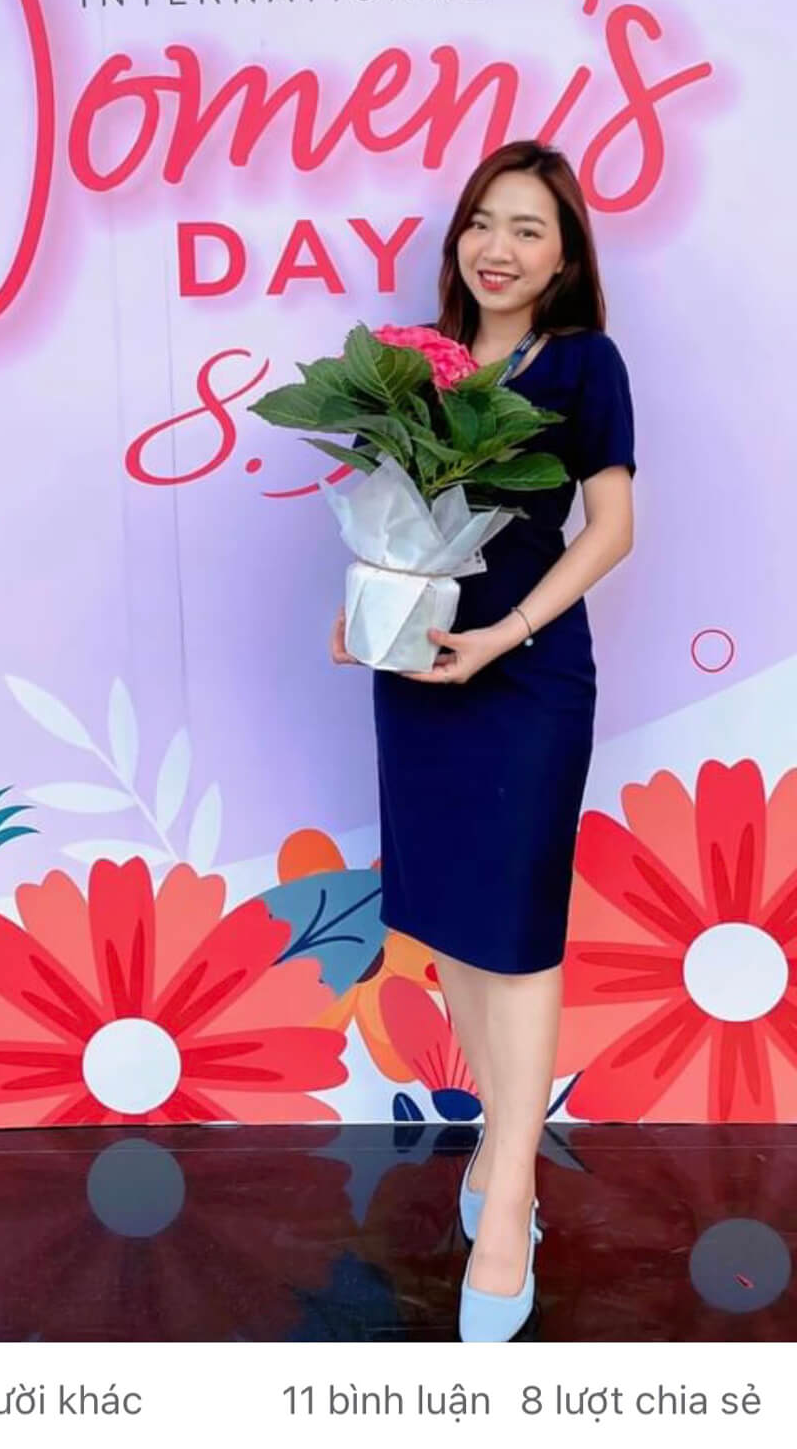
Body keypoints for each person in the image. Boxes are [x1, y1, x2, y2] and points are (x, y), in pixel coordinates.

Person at [330, 139, 635, 1341]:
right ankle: (507, 1150)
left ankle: (507, 1200)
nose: (497, 247)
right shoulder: (421, 366)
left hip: (527, 672)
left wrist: (505, 634)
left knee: (519, 930)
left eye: (527, 229)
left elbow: (609, 528)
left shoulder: (585, 362)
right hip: (421, 671)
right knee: (452, 918)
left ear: (563, 261)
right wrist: (363, 611)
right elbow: (389, 514)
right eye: (482, 222)